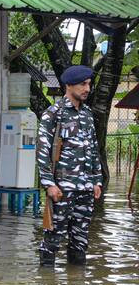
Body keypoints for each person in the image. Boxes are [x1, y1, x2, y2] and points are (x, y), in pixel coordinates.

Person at [37, 65, 102, 267]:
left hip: (85, 189)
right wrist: (49, 184)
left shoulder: (87, 114)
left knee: (80, 242)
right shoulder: (53, 114)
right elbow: (42, 151)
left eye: (89, 84)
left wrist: (96, 180)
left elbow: (93, 149)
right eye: (83, 84)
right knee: (52, 240)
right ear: (69, 85)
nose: (87, 89)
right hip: (62, 189)